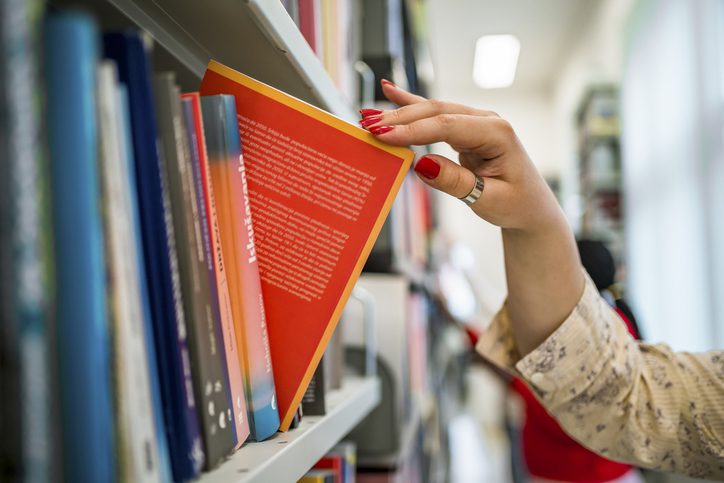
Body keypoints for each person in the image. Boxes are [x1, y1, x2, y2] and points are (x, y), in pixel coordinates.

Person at [359, 80, 724, 480]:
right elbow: (626, 394)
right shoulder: (619, 330)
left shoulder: (601, 339)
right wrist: (535, 225)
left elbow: (573, 383)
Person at [509, 239, 643, 483]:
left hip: (570, 472)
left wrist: (517, 382)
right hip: (610, 469)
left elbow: (559, 405)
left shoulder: (568, 330)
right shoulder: (619, 320)